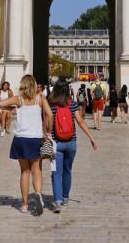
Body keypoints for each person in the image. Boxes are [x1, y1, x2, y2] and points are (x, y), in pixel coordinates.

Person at [0, 74, 52, 215]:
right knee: (37, 170)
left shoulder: (18, 99)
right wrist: (48, 131)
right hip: (35, 139)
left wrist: (13, 110)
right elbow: (50, 115)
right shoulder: (40, 99)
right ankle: (38, 194)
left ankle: (24, 204)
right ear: (34, 85)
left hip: (20, 139)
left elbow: (0, 104)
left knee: (24, 172)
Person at [48, 80, 97, 213]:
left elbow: (47, 123)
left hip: (56, 144)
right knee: (67, 170)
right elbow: (80, 121)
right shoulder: (72, 104)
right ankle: (65, 198)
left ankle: (57, 202)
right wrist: (91, 137)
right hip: (71, 143)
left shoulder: (51, 105)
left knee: (56, 173)